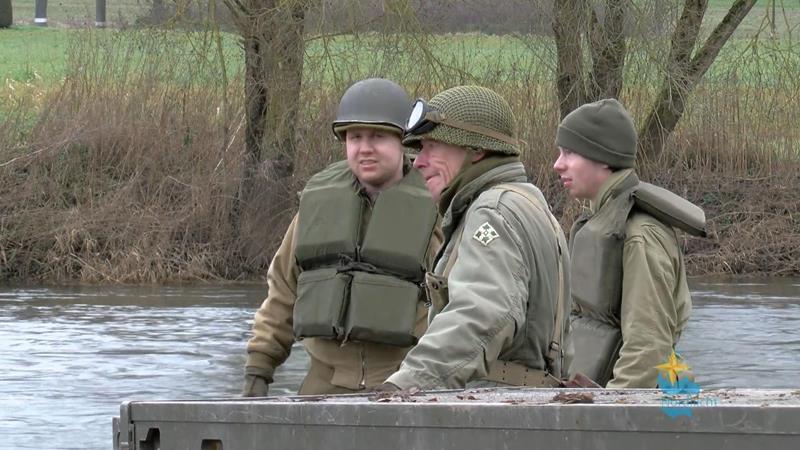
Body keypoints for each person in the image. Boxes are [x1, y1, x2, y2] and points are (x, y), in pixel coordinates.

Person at [242, 78, 440, 396]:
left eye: (378, 136)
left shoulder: (436, 207)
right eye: (354, 136)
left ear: (402, 140)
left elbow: (460, 303)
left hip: (407, 382)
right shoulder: (318, 205)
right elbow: (282, 294)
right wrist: (258, 371)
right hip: (324, 383)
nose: (364, 148)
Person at [382, 85, 571, 390]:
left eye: (432, 146)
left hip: (494, 410)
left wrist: (408, 384)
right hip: (527, 405)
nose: (418, 162)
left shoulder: (492, 211)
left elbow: (483, 311)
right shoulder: (528, 202)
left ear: (477, 149)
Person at [552, 98, 706, 388]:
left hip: (644, 410)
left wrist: (611, 416)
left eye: (569, 152)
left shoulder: (640, 234)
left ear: (603, 157)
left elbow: (647, 351)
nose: (557, 164)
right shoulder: (605, 220)